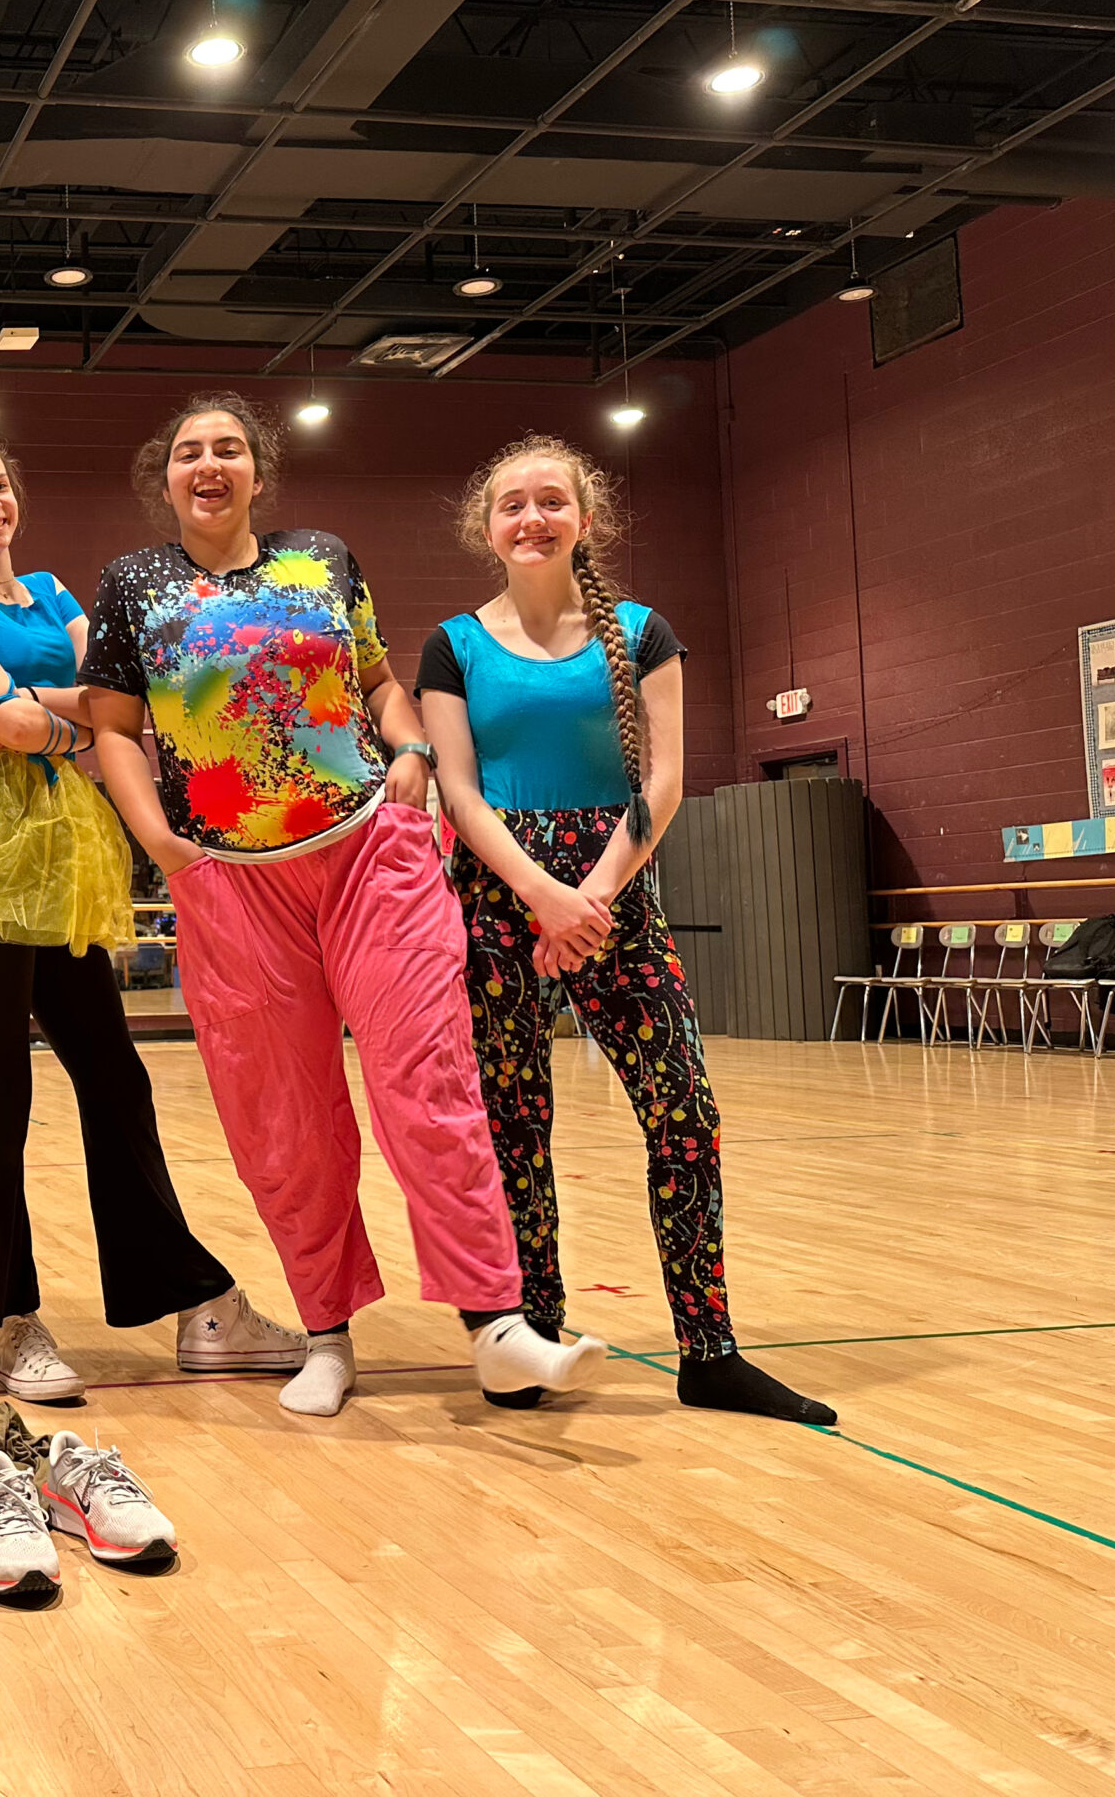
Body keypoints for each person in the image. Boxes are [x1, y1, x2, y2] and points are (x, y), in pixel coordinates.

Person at [80, 395, 608, 1418]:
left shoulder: (321, 558)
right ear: (166, 478)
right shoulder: (131, 585)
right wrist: (156, 841)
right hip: (232, 884)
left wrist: (409, 745)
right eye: (189, 452)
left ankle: (497, 1327)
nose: (209, 465)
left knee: (428, 1077)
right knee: (282, 1120)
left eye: (228, 449)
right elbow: (112, 727)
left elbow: (373, 680)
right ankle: (325, 1332)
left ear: (257, 472)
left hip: (372, 852)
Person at [0, 428, 305, 1400]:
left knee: (115, 1077)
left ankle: (193, 1303)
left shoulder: (61, 592)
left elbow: (131, 709)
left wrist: (49, 720)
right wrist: (64, 721)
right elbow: (20, 713)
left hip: (60, 851)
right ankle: (5, 1321)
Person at [419, 437, 835, 1424]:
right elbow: (459, 791)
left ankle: (709, 1349)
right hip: (493, 897)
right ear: (487, 530)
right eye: (511, 505)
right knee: (514, 1127)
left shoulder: (642, 632)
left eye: (550, 502)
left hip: (618, 889)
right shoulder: (453, 645)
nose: (531, 519)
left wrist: (592, 896)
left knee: (683, 1112)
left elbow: (663, 780)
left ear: (584, 520)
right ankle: (532, 1334)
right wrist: (538, 895)